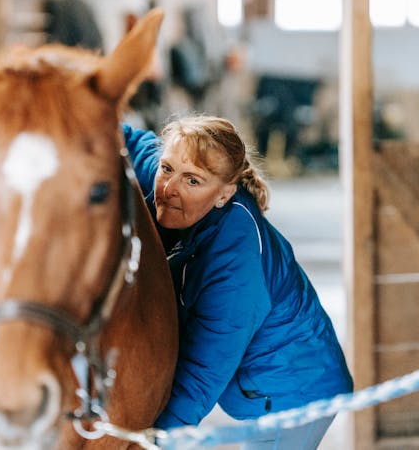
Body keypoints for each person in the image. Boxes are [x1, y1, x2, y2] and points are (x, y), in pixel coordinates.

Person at [123, 115, 353, 449]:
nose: (169, 188)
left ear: (224, 194)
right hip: (257, 389)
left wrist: (151, 443)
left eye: (193, 181)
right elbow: (129, 140)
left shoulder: (235, 259)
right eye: (167, 169)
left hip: (298, 392)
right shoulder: (167, 180)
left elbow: (202, 372)